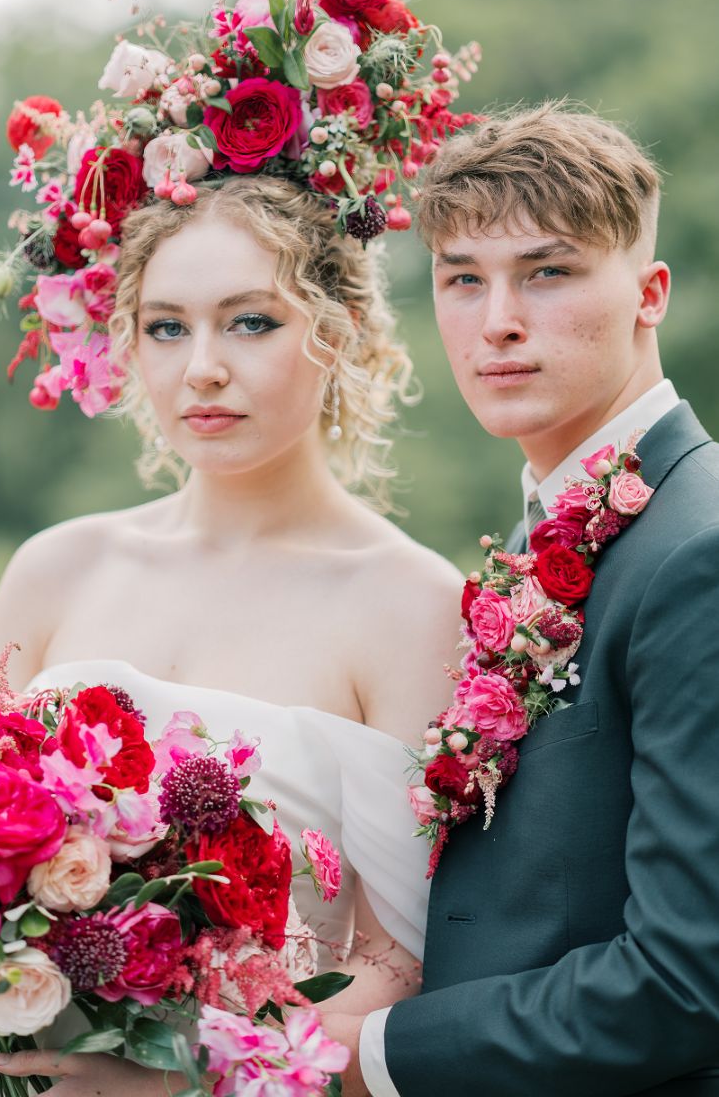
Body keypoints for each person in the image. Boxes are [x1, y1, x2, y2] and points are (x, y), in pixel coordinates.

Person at [0, 175, 463, 1093]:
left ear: (340, 331)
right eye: (167, 327)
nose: (202, 366)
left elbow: (407, 966)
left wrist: (188, 1076)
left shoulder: (414, 605)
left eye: (250, 322)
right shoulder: (52, 571)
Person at [320, 103, 719, 1096]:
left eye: (548, 272)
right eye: (463, 280)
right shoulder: (536, 538)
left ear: (650, 292)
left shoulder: (696, 553)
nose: (497, 319)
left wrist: (359, 1060)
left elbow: (686, 979)